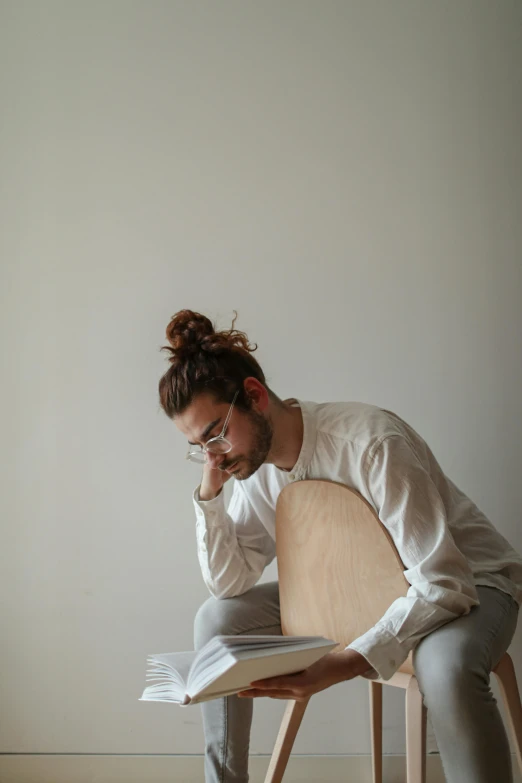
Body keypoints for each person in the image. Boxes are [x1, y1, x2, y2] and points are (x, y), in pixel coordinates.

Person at [158, 308, 522, 783]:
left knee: (444, 666)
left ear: (254, 396)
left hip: (470, 580)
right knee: (216, 619)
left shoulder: (369, 444)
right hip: (356, 588)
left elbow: (442, 581)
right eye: (198, 447)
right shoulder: (249, 466)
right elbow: (230, 583)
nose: (213, 457)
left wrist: (343, 664)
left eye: (216, 436)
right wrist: (210, 494)